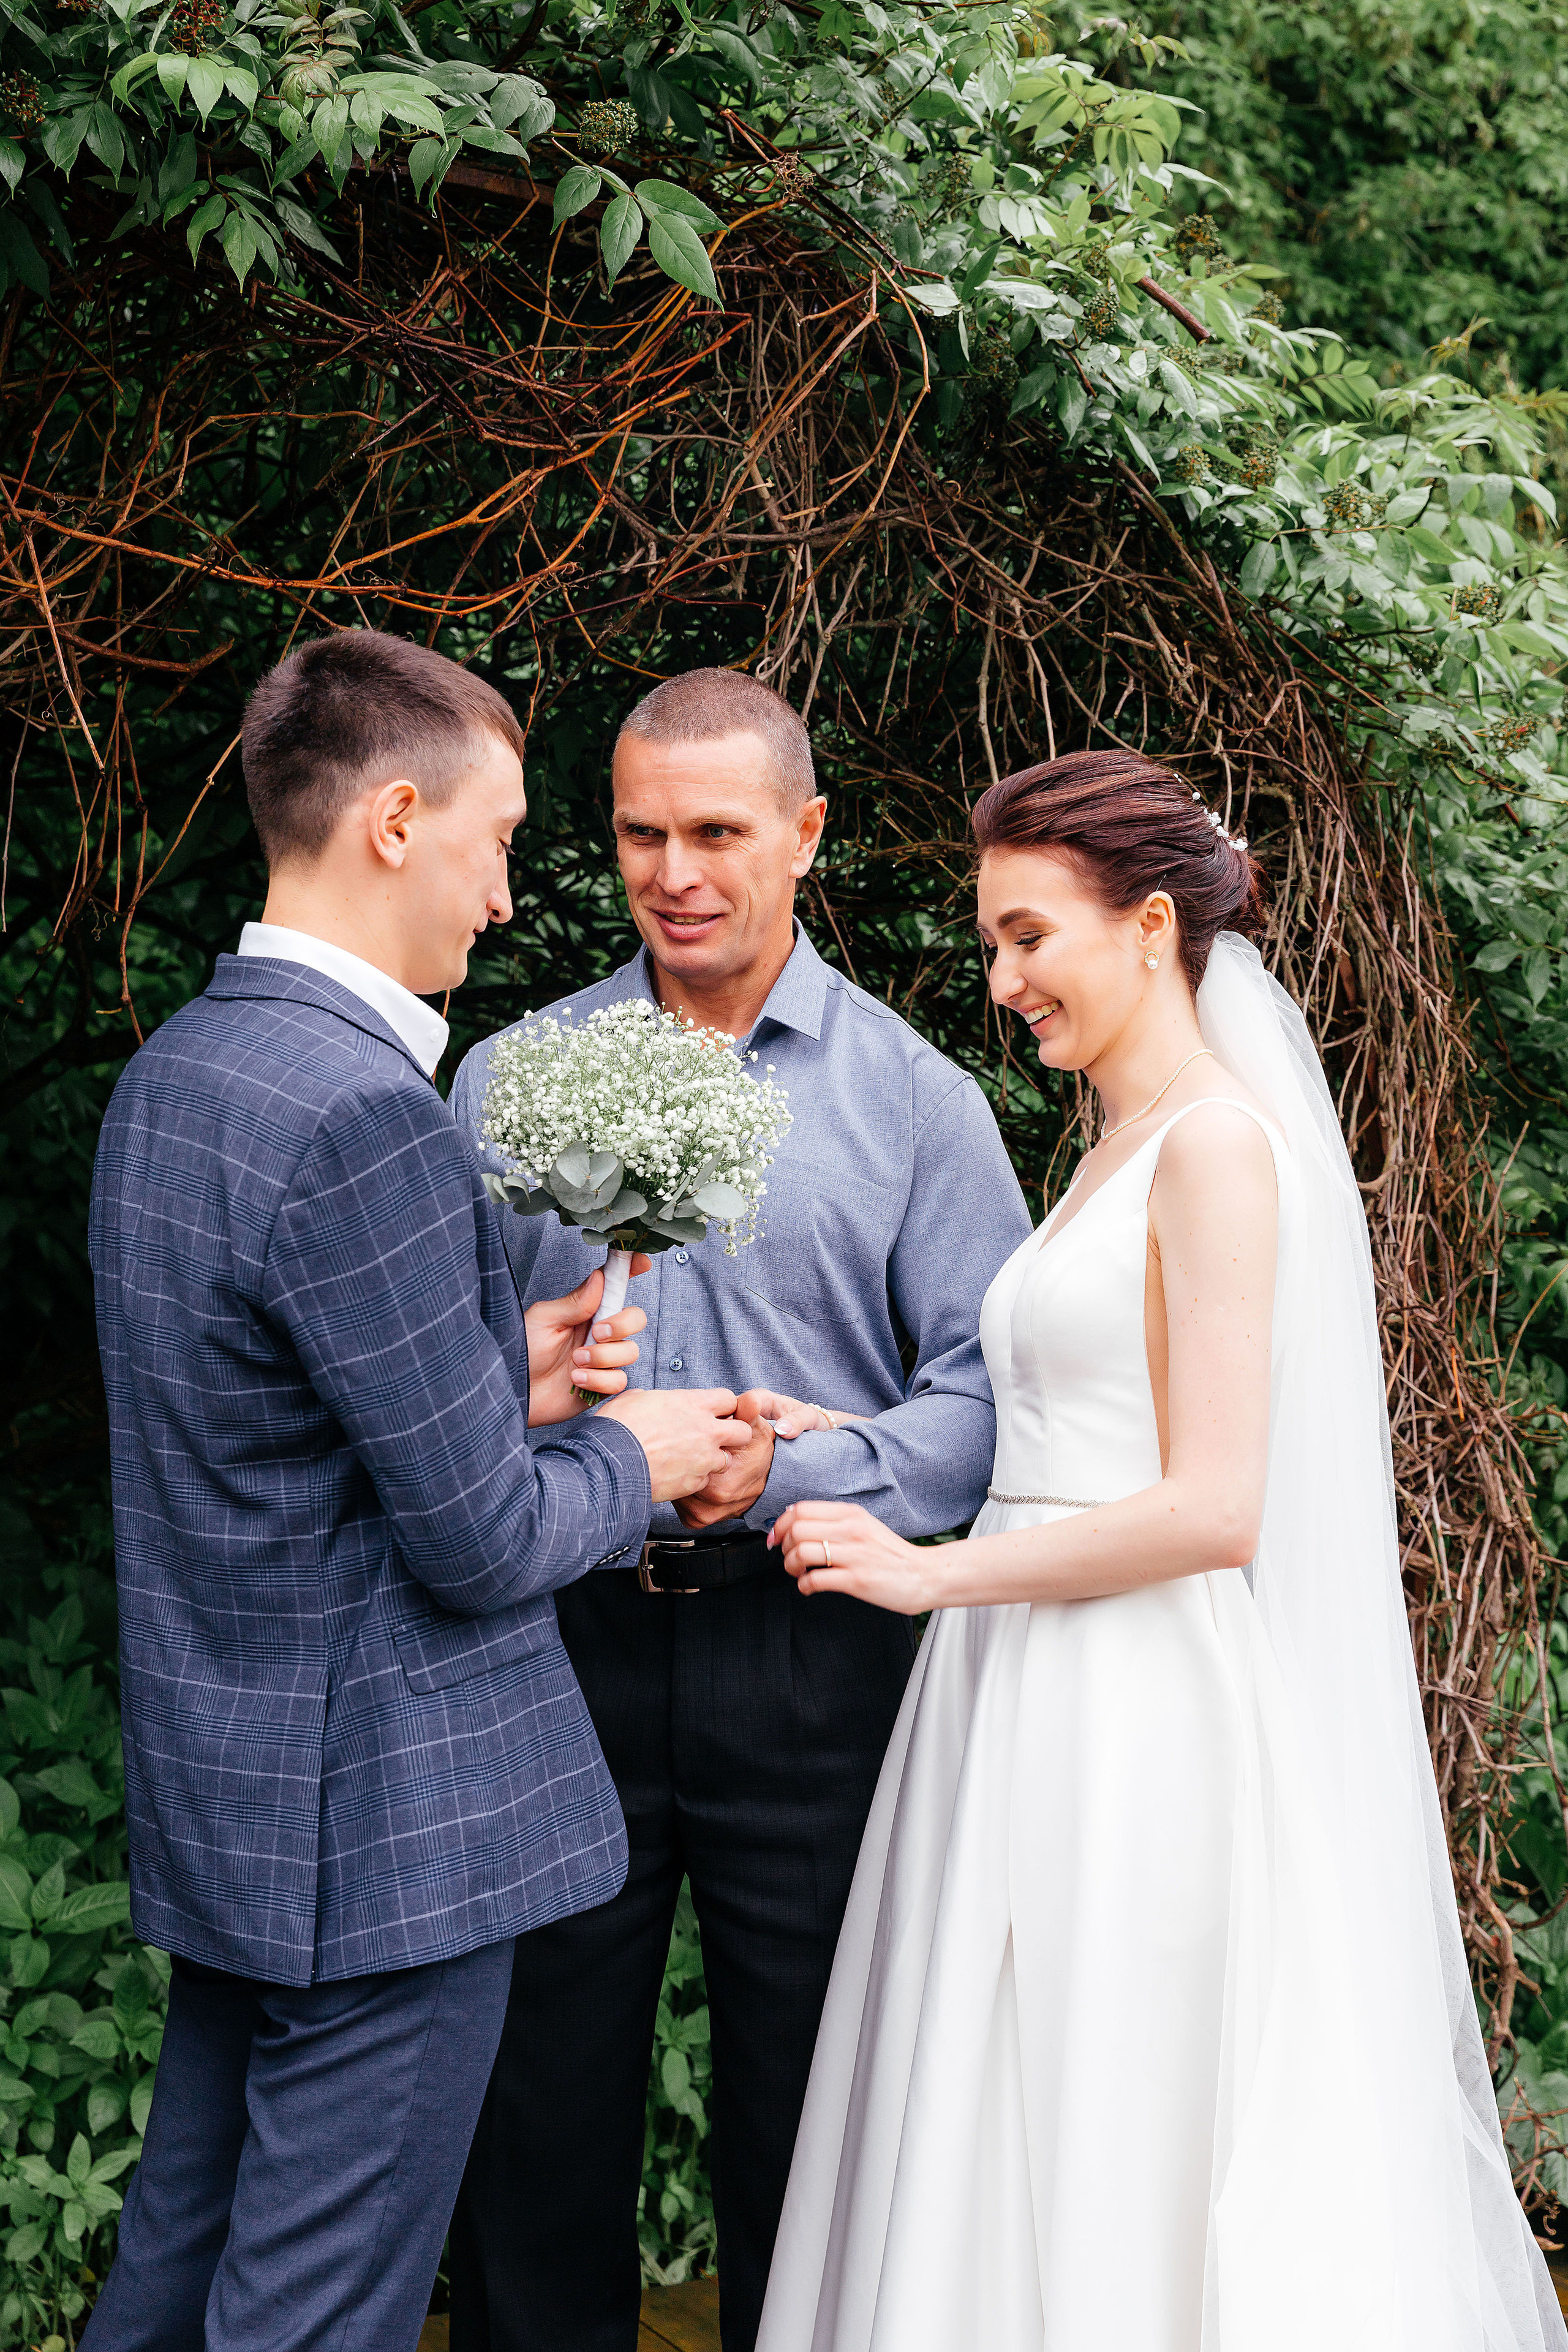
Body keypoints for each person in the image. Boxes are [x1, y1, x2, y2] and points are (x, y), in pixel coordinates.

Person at [755, 748, 1568, 2352]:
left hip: (1130, 1713)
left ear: (1144, 928)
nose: (1002, 983)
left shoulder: (1215, 1149)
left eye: (1029, 937)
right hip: (1020, 1693)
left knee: (1106, 2120)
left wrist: (931, 1575)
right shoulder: (1118, 1143)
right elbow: (1075, 1431)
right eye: (992, 942)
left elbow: (1214, 1506)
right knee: (998, 2111)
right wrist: (833, 1431)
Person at [83, 630, 748, 2352]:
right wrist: (636, 1453)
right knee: (317, 2318)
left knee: (175, 2276)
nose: (511, 897)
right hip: (385, 1834)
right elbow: (482, 1541)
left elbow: (256, 1431)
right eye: (500, 839)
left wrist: (497, 1376)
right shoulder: (370, 1112)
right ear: (393, 819)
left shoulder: (181, 1077)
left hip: (242, 1803)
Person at [447, 668, 1032, 2352]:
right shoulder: (509, 1080)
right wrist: (544, 1386)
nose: (676, 870)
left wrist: (805, 1468)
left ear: (805, 836)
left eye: (717, 831)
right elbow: (425, 1391)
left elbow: (984, 1404)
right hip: (557, 1639)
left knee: (819, 2102)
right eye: (642, 832)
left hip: (815, 1643)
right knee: (538, 2101)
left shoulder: (917, 1102)